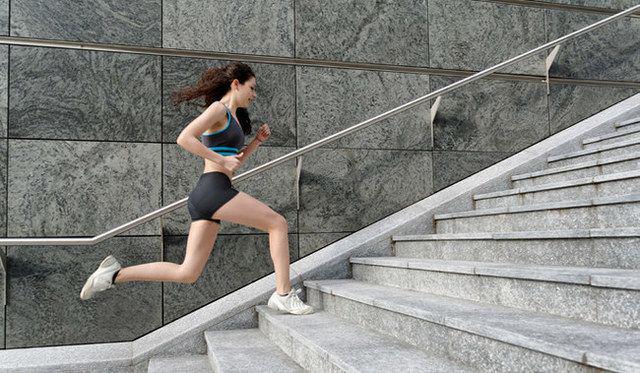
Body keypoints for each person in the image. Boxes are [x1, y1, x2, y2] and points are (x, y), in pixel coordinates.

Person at [80, 61, 314, 315]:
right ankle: (283, 293)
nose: (254, 94)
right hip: (214, 190)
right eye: (252, 88)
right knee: (277, 223)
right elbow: (184, 138)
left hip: (210, 192)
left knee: (187, 272)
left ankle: (113, 274)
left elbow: (232, 164)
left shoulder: (233, 118)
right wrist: (221, 159)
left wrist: (255, 142)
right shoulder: (219, 109)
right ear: (236, 84)